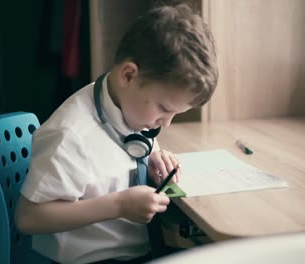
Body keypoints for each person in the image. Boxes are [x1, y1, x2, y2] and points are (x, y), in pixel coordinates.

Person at [15, 3, 218, 264]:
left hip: (138, 249)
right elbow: (28, 218)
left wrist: (154, 154)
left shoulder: (125, 105)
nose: (166, 123)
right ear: (129, 75)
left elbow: (127, 145)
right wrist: (118, 205)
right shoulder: (71, 135)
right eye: (164, 109)